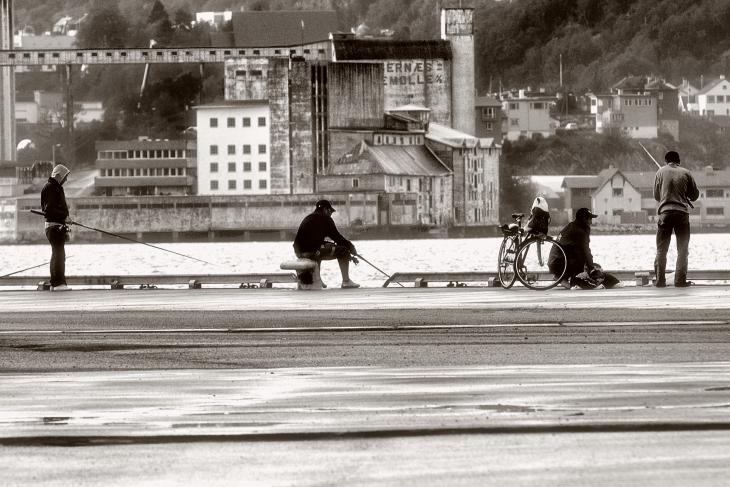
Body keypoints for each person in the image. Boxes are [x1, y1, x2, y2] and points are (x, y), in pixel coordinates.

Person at [653, 150, 699, 288]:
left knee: (662, 249)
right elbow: (695, 195)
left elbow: (656, 196)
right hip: (681, 215)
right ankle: (680, 281)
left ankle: (660, 281)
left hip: (665, 214)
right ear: (679, 161)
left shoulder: (660, 172)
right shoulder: (686, 172)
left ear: (666, 161)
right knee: (683, 249)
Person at [293, 199, 360, 289]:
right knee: (342, 250)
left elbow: (310, 240)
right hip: (311, 253)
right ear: (325, 209)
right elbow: (337, 237)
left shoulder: (308, 218)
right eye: (330, 211)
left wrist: (326, 244)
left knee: (319, 248)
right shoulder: (326, 219)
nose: (331, 213)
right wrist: (351, 247)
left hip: (299, 252)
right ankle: (346, 281)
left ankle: (318, 279)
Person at [548, 207, 620, 290]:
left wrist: (591, 266)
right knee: (584, 259)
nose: (591, 222)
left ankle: (565, 278)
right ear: (584, 219)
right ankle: (576, 281)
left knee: (586, 261)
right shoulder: (579, 232)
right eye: (590, 219)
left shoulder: (572, 226)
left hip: (555, 263)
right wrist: (592, 269)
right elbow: (586, 252)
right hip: (560, 265)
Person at [41, 164, 71, 291]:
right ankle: (58, 284)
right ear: (58, 175)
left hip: (55, 226)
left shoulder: (53, 187)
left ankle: (56, 283)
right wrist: (64, 217)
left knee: (57, 253)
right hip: (54, 227)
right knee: (59, 254)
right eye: (65, 177)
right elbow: (50, 210)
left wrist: (64, 220)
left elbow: (50, 209)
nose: (66, 180)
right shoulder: (52, 188)